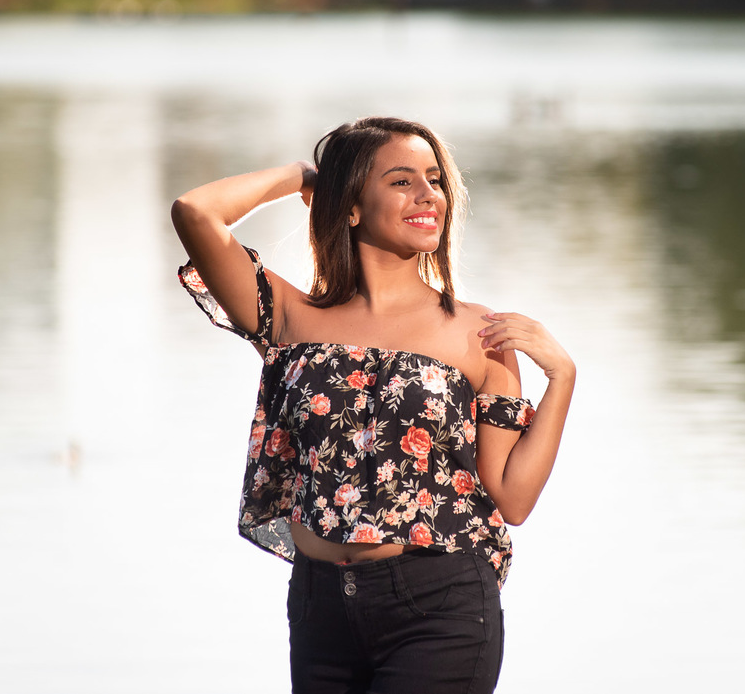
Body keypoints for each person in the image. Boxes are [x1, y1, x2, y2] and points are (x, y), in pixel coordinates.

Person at [171, 116, 574, 693]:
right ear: (351, 206)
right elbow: (195, 212)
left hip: (440, 606)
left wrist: (562, 378)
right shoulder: (288, 317)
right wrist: (303, 177)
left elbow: (512, 498)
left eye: (435, 180)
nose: (428, 194)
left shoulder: (479, 334)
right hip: (320, 608)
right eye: (402, 181)